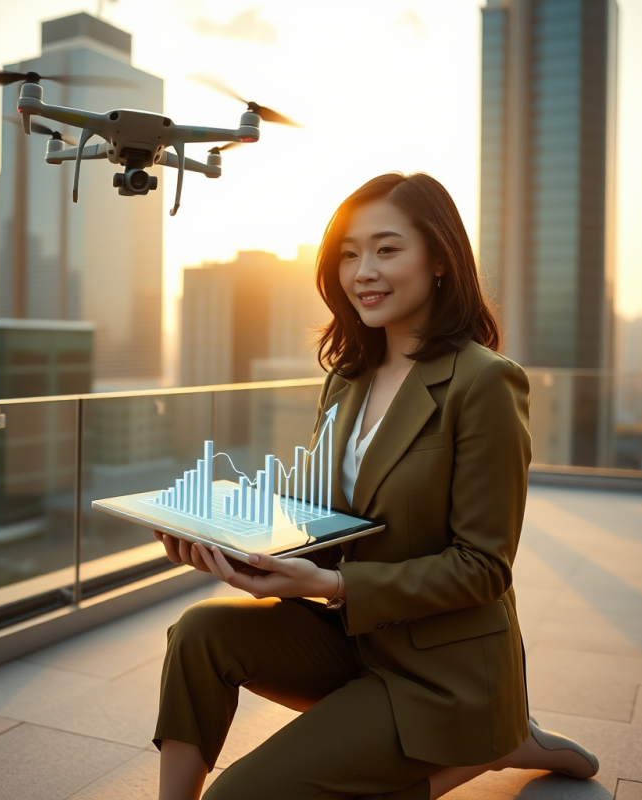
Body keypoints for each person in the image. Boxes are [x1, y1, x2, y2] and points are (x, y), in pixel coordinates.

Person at [152, 172, 599, 800]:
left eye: (387, 249)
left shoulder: (485, 383)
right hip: (356, 642)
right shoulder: (347, 378)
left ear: (440, 259)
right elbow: (327, 520)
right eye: (348, 253)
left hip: (442, 673)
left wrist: (332, 586)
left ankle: (492, 736)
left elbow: (483, 568)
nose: (363, 271)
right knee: (199, 634)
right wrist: (237, 549)